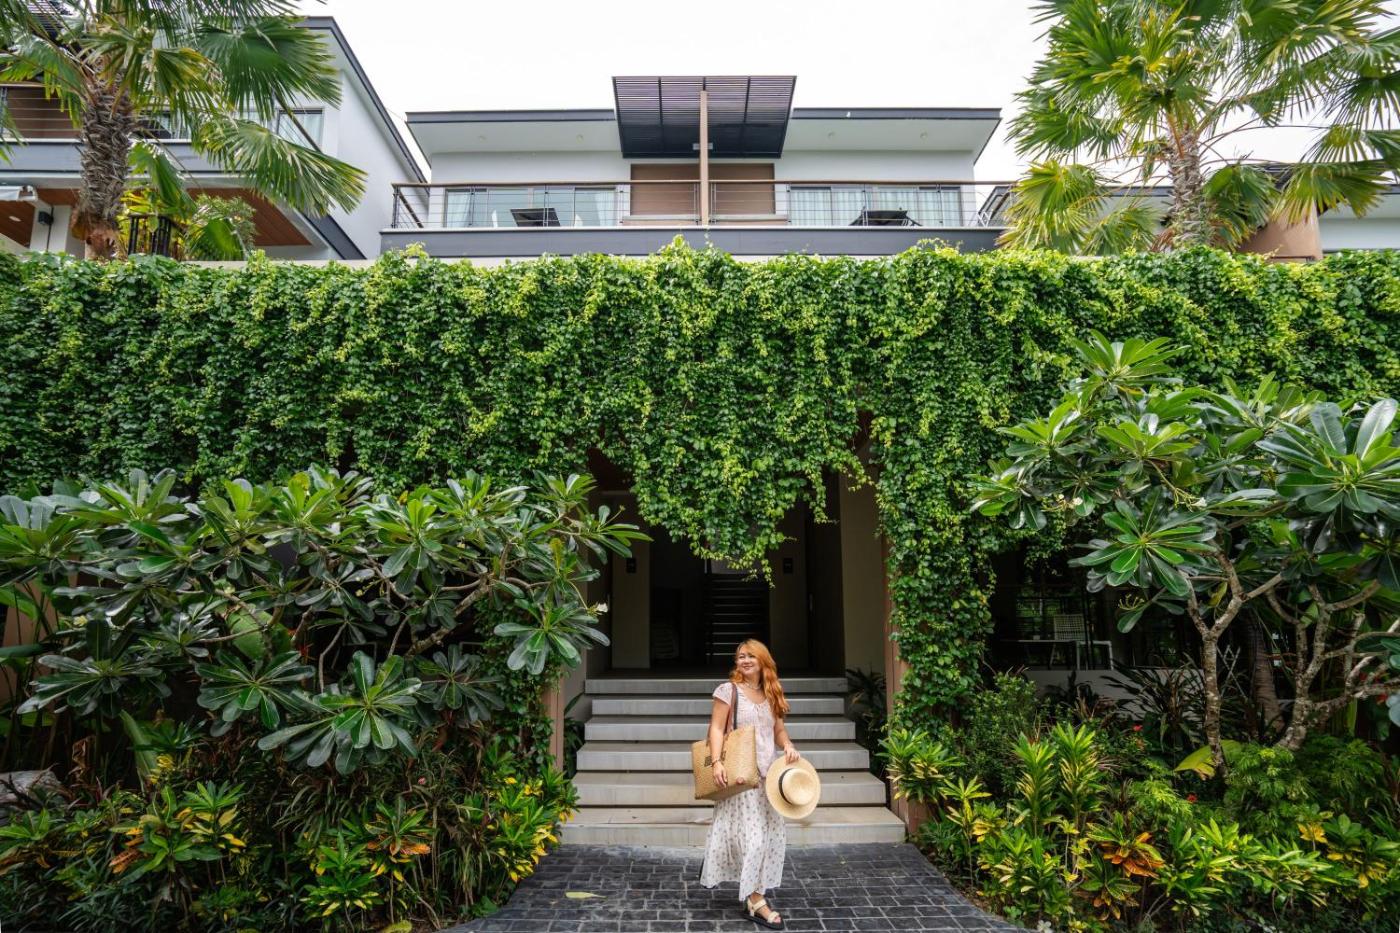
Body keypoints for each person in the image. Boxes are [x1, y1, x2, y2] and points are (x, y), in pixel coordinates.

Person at [699, 639, 798, 929]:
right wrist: (716, 762)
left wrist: (788, 745)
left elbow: (778, 730)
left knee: (769, 838)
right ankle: (756, 901)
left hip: (769, 779)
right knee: (755, 840)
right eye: (740, 656)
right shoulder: (728, 691)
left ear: (763, 659)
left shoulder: (772, 692)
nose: (743, 660)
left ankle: (755, 893)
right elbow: (716, 728)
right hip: (742, 777)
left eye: (750, 656)